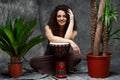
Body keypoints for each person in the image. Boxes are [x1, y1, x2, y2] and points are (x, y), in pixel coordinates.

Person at [30, 4, 82, 74]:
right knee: (33, 61)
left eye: (64, 16)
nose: (61, 18)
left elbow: (67, 37)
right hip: (50, 57)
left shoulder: (74, 31)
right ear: (55, 17)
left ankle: (53, 68)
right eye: (59, 16)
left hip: (65, 57)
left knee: (78, 57)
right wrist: (71, 42)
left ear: (68, 18)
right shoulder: (48, 27)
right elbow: (52, 39)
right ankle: (64, 68)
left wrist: (72, 20)